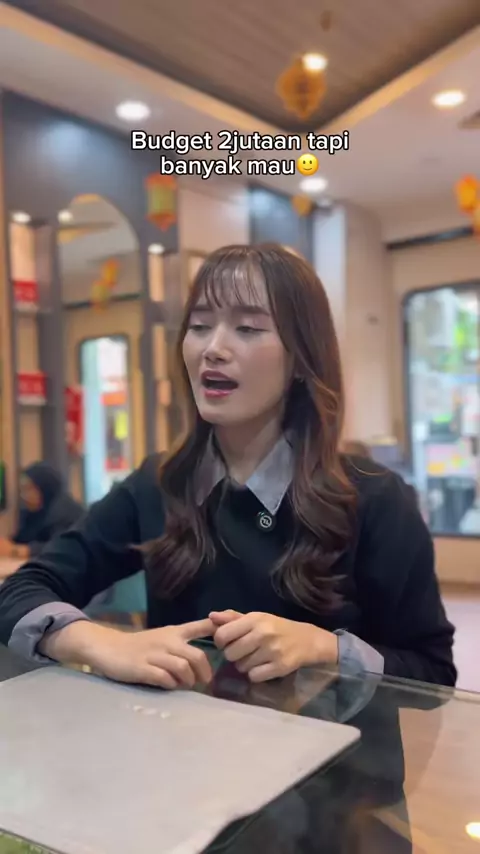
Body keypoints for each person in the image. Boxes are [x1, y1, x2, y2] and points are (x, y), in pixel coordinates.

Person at [0, 244, 456, 691]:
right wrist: (104, 643)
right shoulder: (157, 484)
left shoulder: (376, 497)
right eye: (199, 326)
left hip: (334, 744)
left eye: (248, 328)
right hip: (184, 738)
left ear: (302, 358)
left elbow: (432, 672)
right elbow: (21, 591)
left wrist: (329, 649)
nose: (213, 348)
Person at [0, 462, 84, 563]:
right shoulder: (33, 511)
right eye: (22, 490)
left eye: (29, 489)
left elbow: (62, 548)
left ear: (45, 488)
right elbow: (22, 539)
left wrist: (18, 551)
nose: (23, 496)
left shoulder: (65, 512)